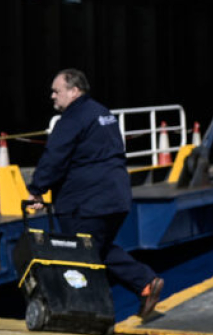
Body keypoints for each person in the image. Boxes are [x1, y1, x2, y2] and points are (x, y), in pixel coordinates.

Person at [28, 68, 165, 319]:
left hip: (86, 202)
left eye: (56, 91)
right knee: (97, 249)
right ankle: (144, 285)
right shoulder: (102, 113)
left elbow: (54, 157)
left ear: (74, 91)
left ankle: (88, 310)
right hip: (116, 197)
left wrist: (37, 190)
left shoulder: (73, 119)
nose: (52, 96)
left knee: (80, 253)